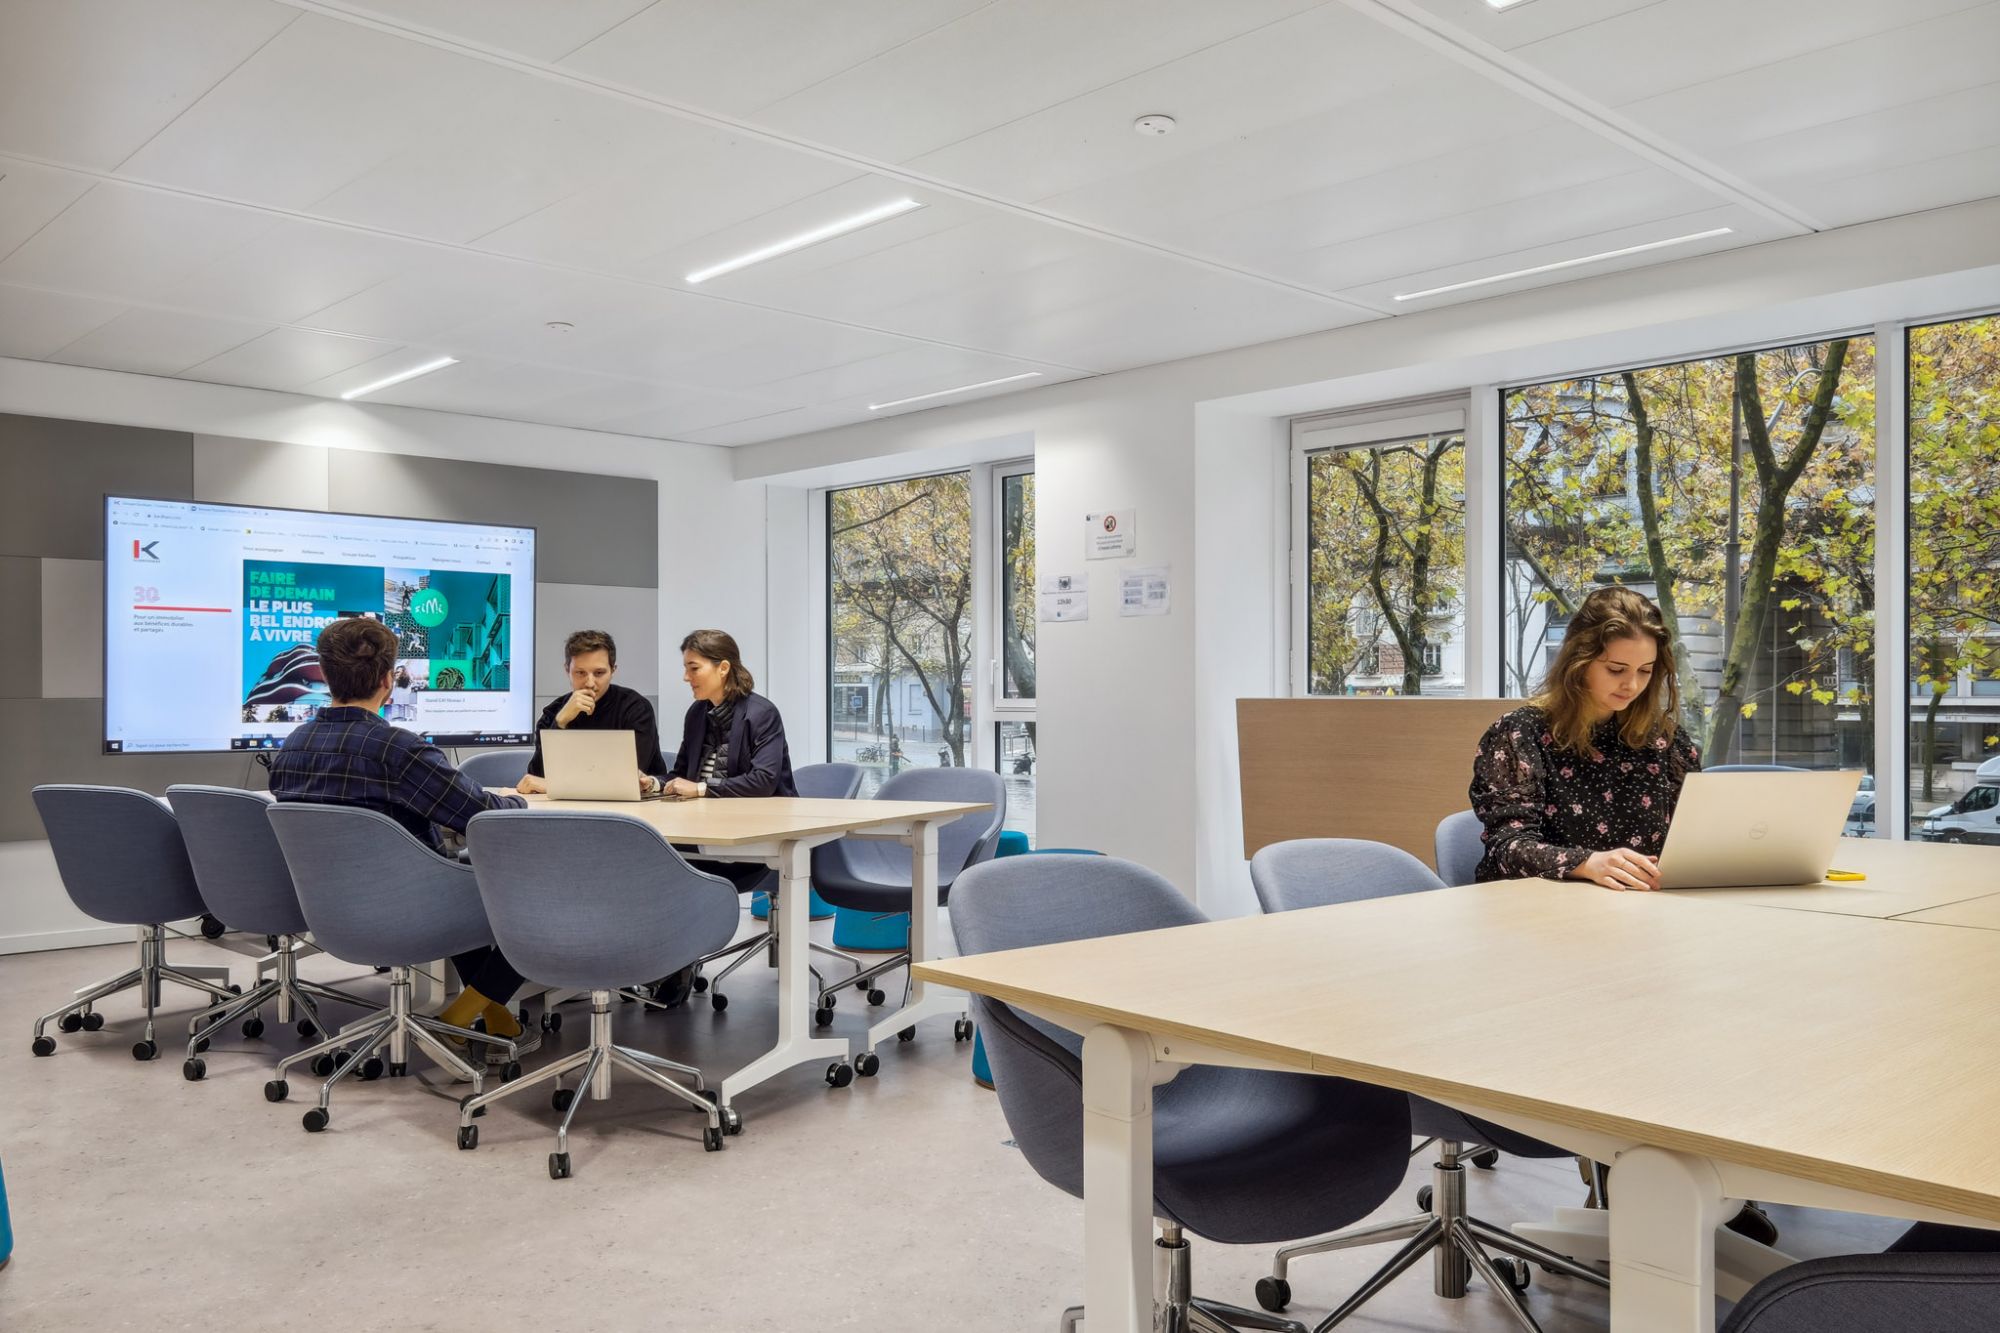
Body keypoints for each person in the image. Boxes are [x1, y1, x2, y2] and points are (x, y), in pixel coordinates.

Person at [268, 616, 540, 1060]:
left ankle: (500, 1022)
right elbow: (483, 814)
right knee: (528, 896)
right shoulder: (398, 749)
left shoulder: (291, 747)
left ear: (326, 676)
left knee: (463, 880)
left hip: (329, 911)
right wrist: (520, 802)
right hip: (411, 909)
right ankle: (458, 1019)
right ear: (386, 680)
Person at [1470, 586, 1701, 890]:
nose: (1632, 685)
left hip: (1640, 902)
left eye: (1645, 671)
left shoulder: (1663, 739)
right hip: (1541, 903)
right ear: (1579, 663)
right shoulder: (1521, 734)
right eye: (1616, 670)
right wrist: (1587, 863)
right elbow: (1507, 849)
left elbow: (1696, 834)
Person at [649, 629, 797, 1004]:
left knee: (676, 871)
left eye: (693, 668)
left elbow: (764, 781)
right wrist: (653, 782)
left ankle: (677, 965)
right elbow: (681, 773)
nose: (686, 677)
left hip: (757, 839)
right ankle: (666, 962)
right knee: (655, 862)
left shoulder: (761, 713)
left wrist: (700, 789)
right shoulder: (697, 713)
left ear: (723, 667)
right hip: (703, 829)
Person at [514, 629, 668, 797]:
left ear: (613, 670)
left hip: (634, 806)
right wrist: (561, 722)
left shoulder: (636, 709)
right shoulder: (554, 712)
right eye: (580, 673)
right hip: (564, 806)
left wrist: (555, 785)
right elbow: (537, 777)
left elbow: (628, 778)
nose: (590, 683)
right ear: (567, 670)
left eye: (599, 673)